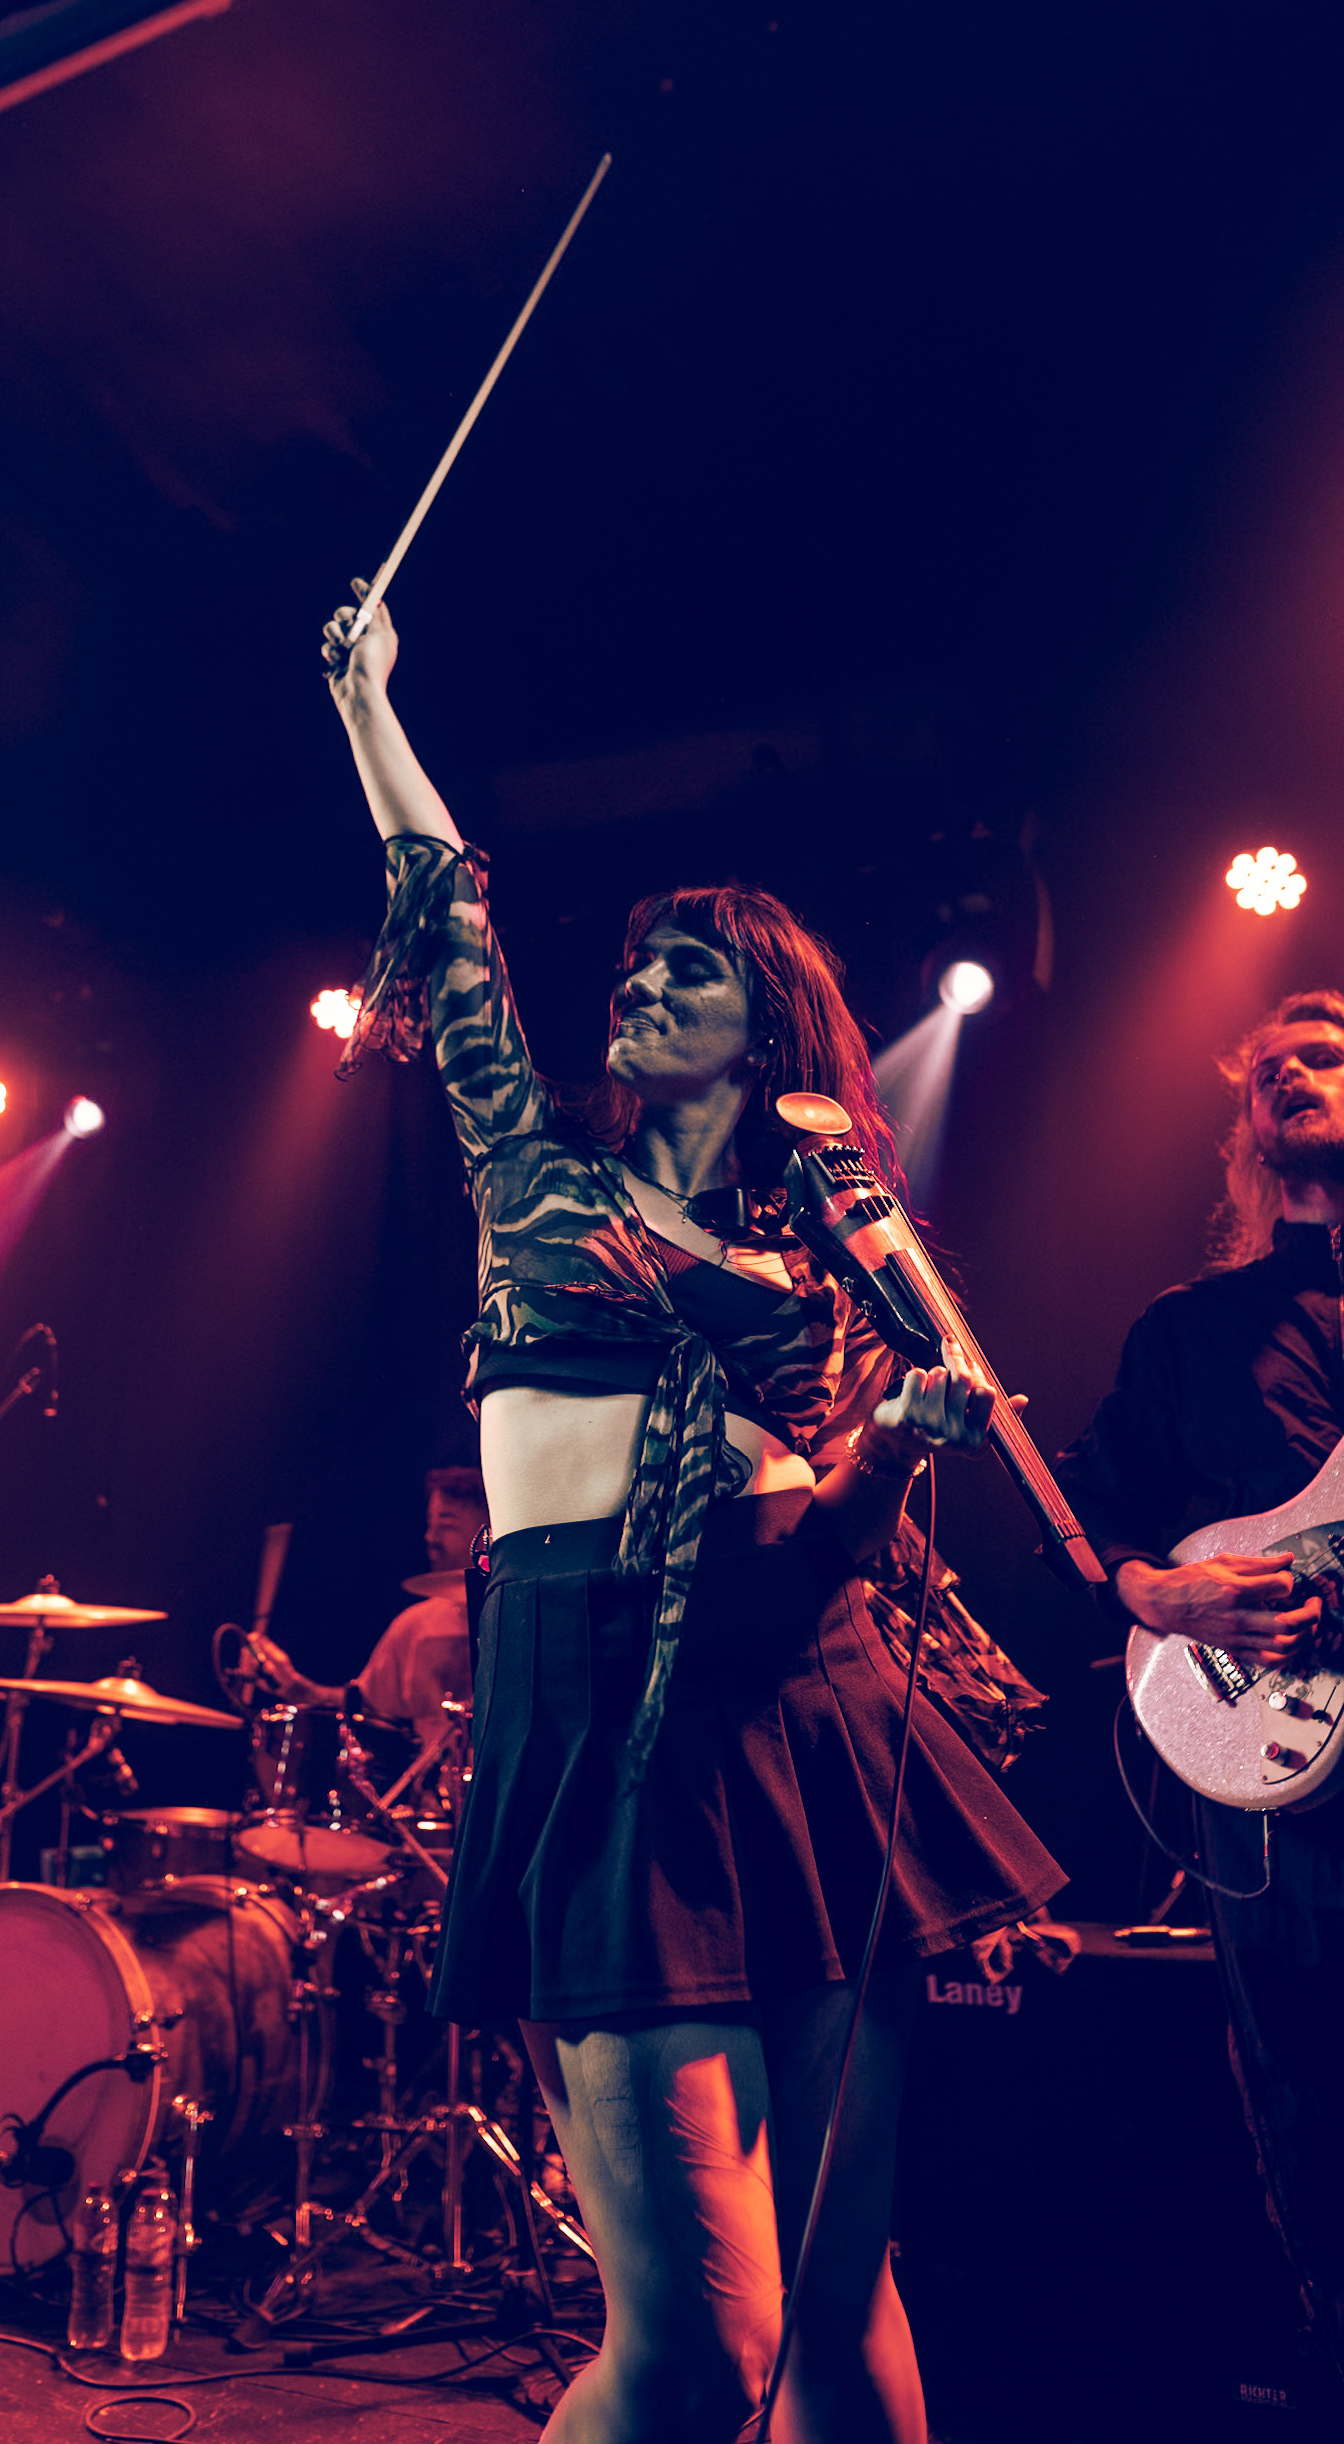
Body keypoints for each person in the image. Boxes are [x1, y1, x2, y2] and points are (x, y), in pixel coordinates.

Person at [321, 581, 1064, 2444]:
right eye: (637, 967)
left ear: (766, 1032)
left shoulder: (826, 1259)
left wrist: (893, 1444)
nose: (639, 986)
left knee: (842, 2304)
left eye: (686, 973)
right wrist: (370, 703)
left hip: (807, 1703)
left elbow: (828, 1548)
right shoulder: (537, 1173)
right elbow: (450, 928)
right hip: (605, 1709)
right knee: (694, 2355)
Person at [1057, 989, 1344, 2390]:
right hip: (1272, 1766)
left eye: (1325, 1052)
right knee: (1302, 2084)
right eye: (1266, 1070)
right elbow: (1088, 1506)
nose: (1289, 1074)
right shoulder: (1187, 1331)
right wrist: (1154, 1592)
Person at [245, 1465, 484, 1740]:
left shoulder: (519, 1620)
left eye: (447, 1525)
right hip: (438, 1768)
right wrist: (295, 1687)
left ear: (489, 1530)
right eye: (431, 1525)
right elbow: (365, 1706)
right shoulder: (416, 1626)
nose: (430, 1537)